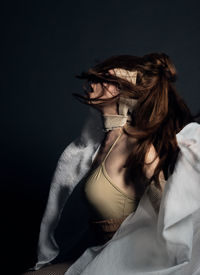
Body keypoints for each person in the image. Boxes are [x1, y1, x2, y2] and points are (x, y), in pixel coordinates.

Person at [22, 53, 200, 275]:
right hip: (103, 255)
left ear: (125, 92)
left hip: (130, 264)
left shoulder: (139, 149)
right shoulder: (93, 147)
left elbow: (173, 216)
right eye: (95, 77)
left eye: (105, 79)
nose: (92, 83)